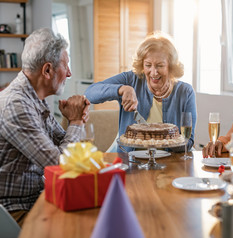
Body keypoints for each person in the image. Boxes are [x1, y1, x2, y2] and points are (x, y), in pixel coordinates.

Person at [0, 28, 90, 226]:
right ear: (47, 70)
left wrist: (75, 121)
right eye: (66, 65)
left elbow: (71, 153)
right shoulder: (16, 105)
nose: (69, 73)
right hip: (13, 211)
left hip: (35, 199)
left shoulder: (34, 100)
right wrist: (75, 122)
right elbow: (61, 164)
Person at [85, 31, 197, 152]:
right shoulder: (131, 80)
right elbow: (90, 93)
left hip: (170, 163)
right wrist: (122, 89)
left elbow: (188, 141)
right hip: (131, 162)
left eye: (160, 65)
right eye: (148, 65)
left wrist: (166, 142)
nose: (153, 72)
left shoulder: (185, 92)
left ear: (171, 66)